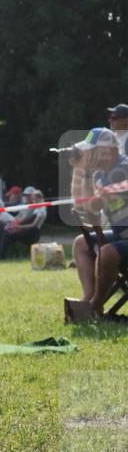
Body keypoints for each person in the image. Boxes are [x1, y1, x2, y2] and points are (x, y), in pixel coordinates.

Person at [68, 127, 128, 317]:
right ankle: (88, 298)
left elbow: (94, 204)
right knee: (81, 243)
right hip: (122, 234)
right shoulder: (100, 175)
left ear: (105, 151)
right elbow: (87, 207)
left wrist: (85, 172)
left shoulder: (123, 169)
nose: (87, 155)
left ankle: (96, 303)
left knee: (107, 252)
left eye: (91, 151)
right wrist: (83, 173)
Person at [0, 189, 47, 259]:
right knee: (6, 232)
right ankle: (0, 254)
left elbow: (33, 225)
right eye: (33, 199)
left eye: (35, 199)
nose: (34, 201)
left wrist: (18, 227)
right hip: (28, 231)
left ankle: (1, 256)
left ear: (40, 198)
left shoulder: (41, 211)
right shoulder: (37, 208)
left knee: (8, 235)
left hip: (32, 234)